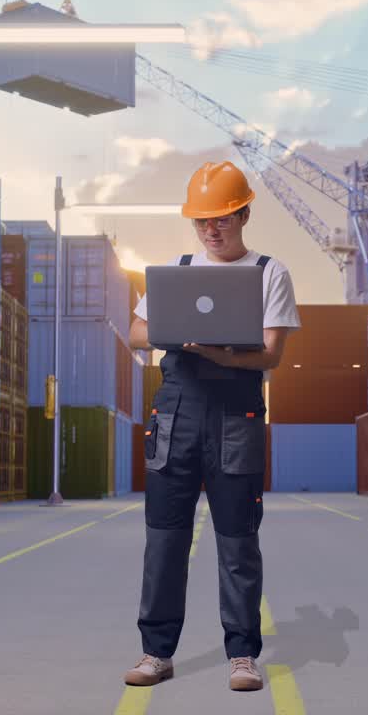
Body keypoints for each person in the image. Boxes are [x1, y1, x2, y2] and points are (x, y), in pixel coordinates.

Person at [124, 161, 300, 692]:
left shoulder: (270, 272)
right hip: (175, 417)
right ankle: (157, 653)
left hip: (235, 418)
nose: (210, 230)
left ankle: (242, 655)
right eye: (202, 221)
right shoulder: (177, 272)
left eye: (221, 219)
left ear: (244, 213)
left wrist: (218, 353)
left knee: (238, 541)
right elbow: (136, 332)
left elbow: (270, 355)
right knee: (164, 541)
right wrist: (177, 335)